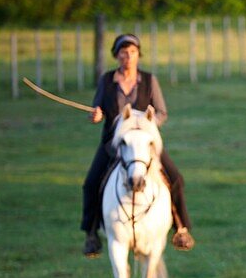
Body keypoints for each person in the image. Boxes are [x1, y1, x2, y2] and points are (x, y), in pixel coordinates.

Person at [81, 33, 195, 257]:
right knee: (91, 183)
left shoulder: (149, 80)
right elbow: (97, 110)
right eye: (123, 53)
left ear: (138, 55)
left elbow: (161, 112)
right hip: (114, 144)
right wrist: (95, 115)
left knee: (175, 178)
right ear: (116, 55)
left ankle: (181, 228)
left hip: (144, 146)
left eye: (132, 52)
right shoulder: (107, 81)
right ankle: (92, 234)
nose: (128, 57)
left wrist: (146, 125)